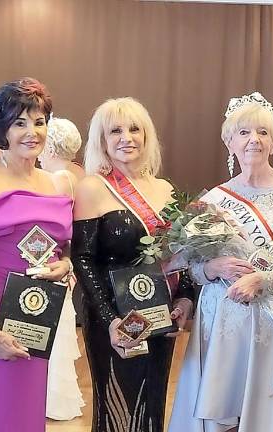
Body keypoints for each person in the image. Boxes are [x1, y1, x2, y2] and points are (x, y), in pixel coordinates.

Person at [168, 92, 273, 432]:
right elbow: (192, 269)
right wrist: (211, 269)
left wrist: (261, 281)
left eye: (263, 132)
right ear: (229, 141)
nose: (254, 140)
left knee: (265, 414)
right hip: (221, 318)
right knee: (223, 412)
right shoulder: (213, 199)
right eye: (244, 132)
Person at [0, 78, 75, 432]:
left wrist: (64, 266)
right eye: (19, 123)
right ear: (1, 129)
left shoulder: (54, 183)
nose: (31, 132)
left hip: (36, 316)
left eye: (38, 122)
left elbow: (62, 248)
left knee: (26, 412)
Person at [71, 97, 194, 432]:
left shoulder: (165, 190)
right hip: (115, 318)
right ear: (102, 140)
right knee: (117, 407)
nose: (127, 137)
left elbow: (180, 254)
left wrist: (184, 298)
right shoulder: (92, 187)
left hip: (158, 315)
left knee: (152, 402)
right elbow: (82, 260)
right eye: (116, 131)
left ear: (147, 135)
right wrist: (110, 320)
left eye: (134, 129)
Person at [40, 116, 85, 420]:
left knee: (53, 328)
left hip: (58, 258)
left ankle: (50, 401)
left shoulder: (58, 179)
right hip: (70, 259)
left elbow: (55, 228)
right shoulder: (78, 173)